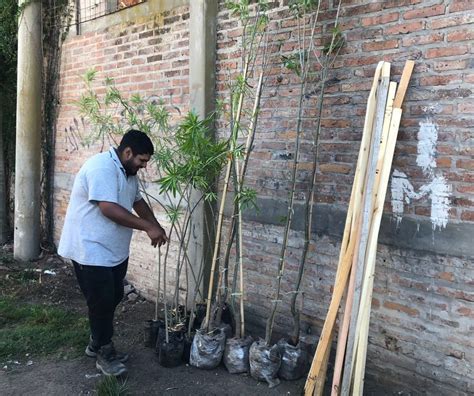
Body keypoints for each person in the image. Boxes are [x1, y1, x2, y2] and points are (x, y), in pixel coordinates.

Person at [58, 130, 168, 377]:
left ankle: (97, 342)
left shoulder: (128, 173)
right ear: (127, 152)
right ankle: (103, 353)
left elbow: (138, 203)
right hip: (89, 249)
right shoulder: (101, 167)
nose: (143, 166)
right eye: (141, 160)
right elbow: (108, 208)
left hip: (113, 251)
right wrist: (148, 227)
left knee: (114, 295)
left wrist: (156, 225)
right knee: (102, 301)